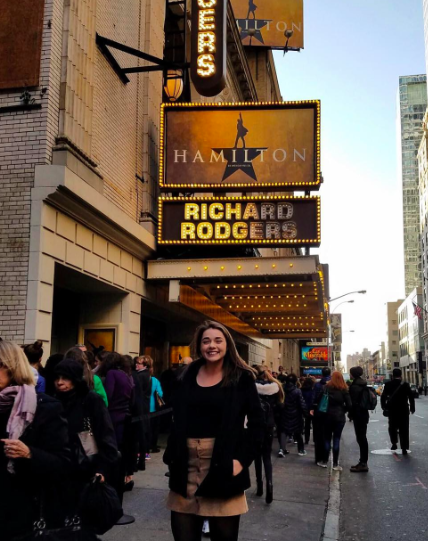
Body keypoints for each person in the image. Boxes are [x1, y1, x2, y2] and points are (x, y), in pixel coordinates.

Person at [164, 320, 264, 541]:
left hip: (223, 464)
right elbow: (177, 417)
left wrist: (241, 461)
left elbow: (259, 424)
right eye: (206, 341)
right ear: (199, 346)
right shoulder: (186, 375)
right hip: (185, 467)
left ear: (227, 344)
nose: (212, 345)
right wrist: (171, 453)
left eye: (218, 340)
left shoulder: (242, 377)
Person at [0, 340, 71, 541]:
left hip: (22, 514)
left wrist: (30, 453)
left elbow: (64, 464)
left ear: (12, 367)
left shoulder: (45, 408)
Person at [54, 359, 119, 518]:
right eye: (57, 378)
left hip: (86, 466)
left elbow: (105, 434)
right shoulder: (53, 400)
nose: (60, 382)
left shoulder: (90, 399)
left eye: (65, 378)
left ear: (75, 379)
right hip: (59, 467)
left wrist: (102, 469)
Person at [254, 365, 284, 504]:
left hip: (255, 425)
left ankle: (259, 485)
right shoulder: (276, 387)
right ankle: (270, 486)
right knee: (267, 457)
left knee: (256, 456)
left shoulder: (252, 387)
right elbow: (280, 407)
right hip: (269, 425)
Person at [317, 371, 352, 470]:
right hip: (339, 417)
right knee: (336, 439)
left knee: (327, 439)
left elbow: (319, 400)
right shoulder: (344, 389)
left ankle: (324, 461)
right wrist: (342, 410)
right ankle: (336, 464)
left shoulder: (326, 388)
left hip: (327, 416)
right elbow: (349, 405)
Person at [381, 368, 415, 455]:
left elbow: (383, 397)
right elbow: (411, 397)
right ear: (401, 375)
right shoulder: (405, 385)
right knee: (404, 429)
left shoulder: (388, 384)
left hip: (392, 410)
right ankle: (404, 448)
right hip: (403, 409)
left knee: (392, 427)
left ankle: (394, 443)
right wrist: (412, 407)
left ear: (393, 375)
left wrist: (384, 407)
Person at [277, 374, 307, 457]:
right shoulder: (297, 391)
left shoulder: (282, 390)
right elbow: (302, 403)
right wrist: (306, 413)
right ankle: (301, 450)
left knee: (283, 431)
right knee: (298, 432)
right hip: (296, 415)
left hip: (284, 413)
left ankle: (281, 449)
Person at [348, 366, 370, 472]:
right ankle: (362, 462)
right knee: (362, 438)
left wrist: (350, 414)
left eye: (350, 373)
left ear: (354, 374)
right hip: (364, 414)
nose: (349, 375)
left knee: (361, 438)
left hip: (358, 415)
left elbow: (352, 403)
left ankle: (363, 463)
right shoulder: (363, 384)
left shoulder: (355, 386)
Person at [311, 367, 331, 464]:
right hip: (330, 413)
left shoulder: (317, 385)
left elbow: (313, 398)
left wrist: (312, 408)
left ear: (322, 374)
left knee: (318, 436)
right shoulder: (334, 385)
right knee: (328, 436)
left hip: (319, 412)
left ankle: (318, 458)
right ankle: (326, 458)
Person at [144, 356, 164, 453]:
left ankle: (145, 448)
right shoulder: (155, 380)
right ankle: (153, 445)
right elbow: (160, 394)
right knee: (153, 429)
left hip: (143, 408)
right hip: (153, 408)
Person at [301, 377, 314, 445]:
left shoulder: (302, 390)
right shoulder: (313, 390)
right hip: (312, 409)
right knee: (314, 424)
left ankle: (306, 439)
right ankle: (315, 439)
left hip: (305, 409)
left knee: (307, 425)